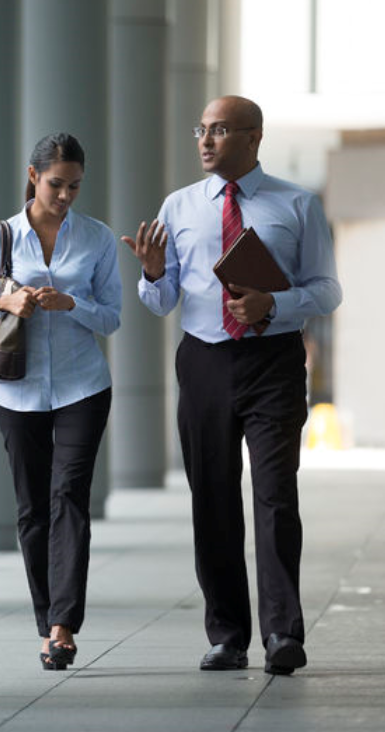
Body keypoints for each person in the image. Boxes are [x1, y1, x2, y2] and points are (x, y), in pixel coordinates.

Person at [122, 96, 341, 675]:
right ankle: (227, 636)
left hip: (273, 360)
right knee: (212, 500)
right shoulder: (179, 206)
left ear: (254, 137)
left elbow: (327, 290)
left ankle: (282, 633)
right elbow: (164, 299)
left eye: (220, 130)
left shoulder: (296, 204)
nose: (205, 140)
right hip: (205, 361)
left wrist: (277, 300)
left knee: (275, 496)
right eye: (202, 129)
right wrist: (149, 273)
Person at [0, 133, 121, 670]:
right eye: (56, 184)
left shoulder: (95, 239)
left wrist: (72, 302)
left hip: (83, 386)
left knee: (69, 496)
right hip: (18, 389)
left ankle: (63, 626)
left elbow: (112, 317)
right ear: (33, 176)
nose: (66, 195)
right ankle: (44, 616)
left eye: (75, 185)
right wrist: (5, 300)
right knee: (32, 509)